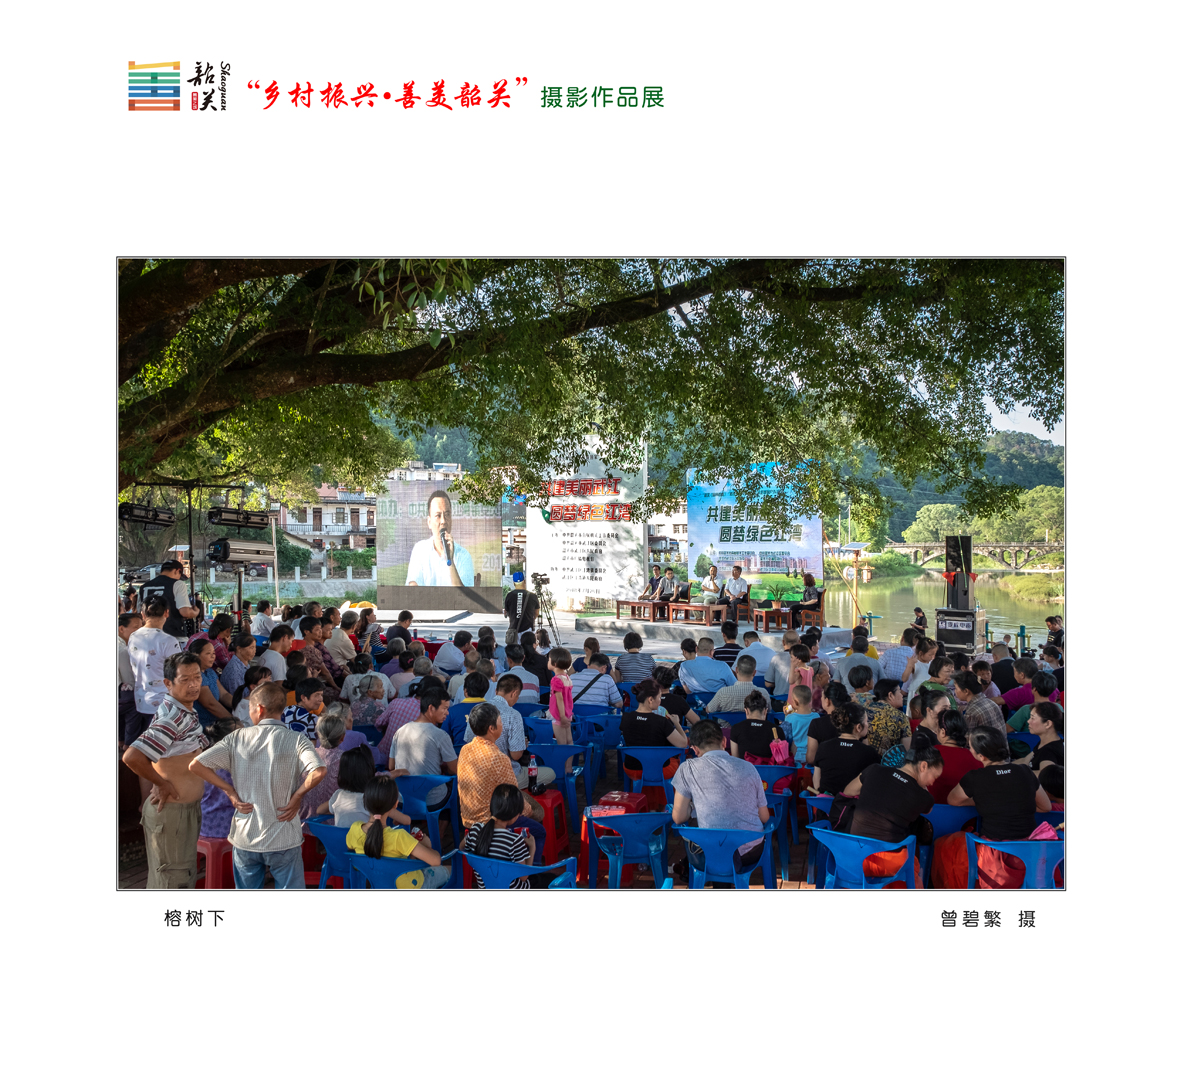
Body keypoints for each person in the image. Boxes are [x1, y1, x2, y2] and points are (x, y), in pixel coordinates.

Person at [189, 680, 326, 889]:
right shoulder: (297, 739)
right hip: (284, 836)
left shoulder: (237, 737)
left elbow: (196, 765)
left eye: (250, 709)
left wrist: (230, 791)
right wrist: (297, 796)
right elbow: (319, 771)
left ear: (259, 709)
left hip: (246, 836)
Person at [121, 652, 211, 887]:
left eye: (197, 677)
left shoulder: (186, 711)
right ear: (168, 683)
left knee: (180, 876)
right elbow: (132, 757)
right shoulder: (171, 717)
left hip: (184, 811)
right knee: (172, 880)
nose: (193, 685)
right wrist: (161, 783)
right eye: (185, 679)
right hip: (172, 813)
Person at [934, 727, 1053, 889]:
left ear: (981, 756)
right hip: (1031, 855)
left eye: (970, 747)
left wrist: (987, 801)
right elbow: (1045, 806)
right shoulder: (1025, 771)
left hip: (995, 859)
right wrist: (1015, 803)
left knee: (944, 846)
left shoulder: (975, 777)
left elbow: (953, 800)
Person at [670, 719, 770, 880]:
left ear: (695, 749)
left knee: (699, 833)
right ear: (724, 741)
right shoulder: (749, 767)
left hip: (712, 853)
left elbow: (679, 817)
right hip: (751, 852)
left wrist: (692, 806)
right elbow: (764, 817)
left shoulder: (687, 768)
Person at [841, 746, 941, 886]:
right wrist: (922, 787)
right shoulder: (924, 797)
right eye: (934, 777)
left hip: (851, 857)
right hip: (888, 863)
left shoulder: (874, 770)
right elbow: (928, 810)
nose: (932, 782)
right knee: (913, 863)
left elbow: (848, 791)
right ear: (923, 766)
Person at [458, 703, 548, 852]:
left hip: (468, 818)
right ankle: (528, 866)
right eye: (500, 721)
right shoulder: (498, 758)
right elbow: (514, 799)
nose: (502, 724)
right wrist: (532, 812)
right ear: (491, 728)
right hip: (491, 821)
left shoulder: (465, 750)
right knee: (539, 831)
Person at [344, 776, 451, 887]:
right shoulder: (399, 837)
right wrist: (426, 844)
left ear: (365, 802)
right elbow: (436, 861)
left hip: (376, 885)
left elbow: (352, 852)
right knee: (451, 871)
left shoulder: (355, 829)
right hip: (410, 886)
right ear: (395, 804)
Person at [126, 598, 188, 743]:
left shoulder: (133, 636)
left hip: (141, 701)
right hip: (164, 705)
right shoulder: (169, 641)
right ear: (167, 613)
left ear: (143, 614)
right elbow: (179, 672)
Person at [388, 687, 459, 808]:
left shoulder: (400, 731)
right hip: (432, 800)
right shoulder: (440, 735)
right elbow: (454, 769)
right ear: (431, 708)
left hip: (402, 798)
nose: (447, 713)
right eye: (445, 708)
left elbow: (391, 766)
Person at [463, 783, 536, 888]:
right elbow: (524, 877)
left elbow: (462, 848)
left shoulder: (475, 830)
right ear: (514, 814)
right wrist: (532, 847)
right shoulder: (514, 840)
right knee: (547, 879)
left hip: (485, 889)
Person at [619, 677, 690, 779]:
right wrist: (677, 723)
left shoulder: (625, 717)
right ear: (651, 699)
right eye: (659, 697)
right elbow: (683, 744)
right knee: (676, 759)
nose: (660, 701)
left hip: (631, 769)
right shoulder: (662, 721)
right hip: (659, 769)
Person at [405, 489, 473, 586]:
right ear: (429, 522)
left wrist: (450, 561)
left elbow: (465, 595)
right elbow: (413, 587)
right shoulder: (420, 550)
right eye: (438, 516)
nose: (443, 521)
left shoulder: (463, 556)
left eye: (447, 515)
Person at [913, 707, 982, 803]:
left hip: (932, 810)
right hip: (965, 812)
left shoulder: (928, 753)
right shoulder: (977, 758)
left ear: (942, 732)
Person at [810, 702, 879, 796]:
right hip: (853, 804)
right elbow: (872, 786)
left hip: (826, 803)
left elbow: (817, 783)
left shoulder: (823, 747)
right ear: (858, 727)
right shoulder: (869, 753)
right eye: (866, 721)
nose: (868, 725)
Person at [299, 710, 350, 819]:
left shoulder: (306, 756)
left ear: (318, 734)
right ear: (342, 737)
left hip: (303, 822)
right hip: (331, 825)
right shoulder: (345, 760)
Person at [139, 559, 199, 638]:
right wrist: (196, 612)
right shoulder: (178, 584)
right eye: (180, 575)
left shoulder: (144, 587)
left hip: (148, 635)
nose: (179, 578)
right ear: (176, 571)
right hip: (173, 634)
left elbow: (138, 612)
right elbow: (185, 612)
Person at [727, 691, 786, 764]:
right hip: (769, 771)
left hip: (745, 770)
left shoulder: (736, 728)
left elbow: (735, 760)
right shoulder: (777, 730)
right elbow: (782, 761)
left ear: (746, 711)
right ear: (765, 711)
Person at [191, 638, 233, 728]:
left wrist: (241, 705)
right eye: (208, 653)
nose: (213, 656)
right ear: (196, 655)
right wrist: (233, 721)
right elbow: (210, 704)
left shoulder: (210, 672)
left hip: (216, 721)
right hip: (203, 725)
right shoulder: (195, 675)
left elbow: (224, 695)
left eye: (213, 653)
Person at [805, 682, 850, 764]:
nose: (821, 699)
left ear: (827, 701)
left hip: (825, 770)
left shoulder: (817, 724)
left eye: (822, 697)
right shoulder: (854, 721)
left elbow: (811, 759)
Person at [862, 678, 910, 755]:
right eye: (899, 692)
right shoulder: (900, 716)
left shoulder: (863, 711)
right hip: (889, 760)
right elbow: (906, 748)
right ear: (890, 695)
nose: (902, 695)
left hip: (865, 758)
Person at [951, 670, 1006, 734]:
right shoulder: (991, 702)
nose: (955, 691)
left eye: (956, 688)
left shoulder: (972, 712)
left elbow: (968, 737)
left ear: (966, 691)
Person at [781, 684, 819, 767]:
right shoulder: (816, 717)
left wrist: (786, 716)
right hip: (811, 756)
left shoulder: (790, 718)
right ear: (810, 699)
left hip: (794, 757)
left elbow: (786, 734)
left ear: (795, 702)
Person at [546, 646, 576, 748]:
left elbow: (559, 699)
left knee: (561, 744)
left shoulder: (555, 680)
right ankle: (569, 759)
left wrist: (562, 716)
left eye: (549, 660)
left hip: (558, 715)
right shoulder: (567, 678)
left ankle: (563, 759)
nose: (548, 662)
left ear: (554, 663)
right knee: (569, 742)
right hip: (568, 713)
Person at [1025, 702, 1064, 774]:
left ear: (1048, 724)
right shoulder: (1044, 744)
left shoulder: (1049, 751)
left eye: (1032, 718)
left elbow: (1045, 775)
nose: (1028, 721)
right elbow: (1025, 760)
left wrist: (1018, 774)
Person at [220, 632, 257, 698]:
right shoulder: (234, 671)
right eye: (251, 648)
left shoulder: (244, 664)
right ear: (239, 649)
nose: (254, 651)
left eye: (255, 647)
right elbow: (238, 698)